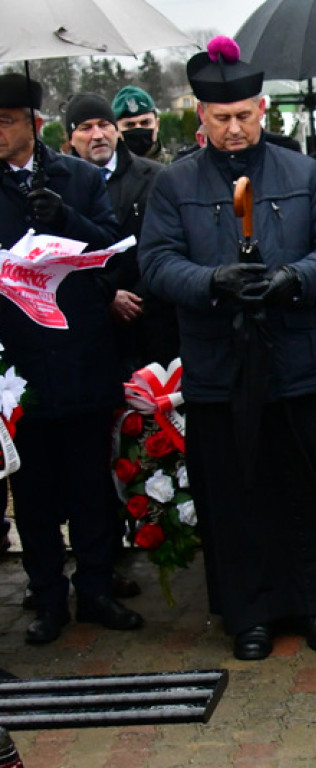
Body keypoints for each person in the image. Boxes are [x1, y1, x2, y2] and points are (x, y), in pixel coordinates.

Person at [139, 37, 316, 662]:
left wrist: (295, 279)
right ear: (200, 116)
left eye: (245, 116)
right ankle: (250, 613)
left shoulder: (301, 171)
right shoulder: (175, 184)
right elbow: (154, 263)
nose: (235, 129)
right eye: (221, 118)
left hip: (296, 358)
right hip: (220, 367)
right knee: (237, 496)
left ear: (263, 110)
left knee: (310, 490)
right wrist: (211, 282)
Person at [0, 73, 143, 645]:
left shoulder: (78, 177)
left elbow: (112, 256)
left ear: (33, 126)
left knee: (89, 483)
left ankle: (98, 588)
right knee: (31, 492)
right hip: (21, 364)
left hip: (81, 355)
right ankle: (48, 597)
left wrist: (64, 220)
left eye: (6, 120)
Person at [65, 92, 178, 374]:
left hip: (151, 320)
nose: (97, 135)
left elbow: (165, 243)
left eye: (104, 124)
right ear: (71, 137)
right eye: (85, 127)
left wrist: (134, 295)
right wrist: (107, 295)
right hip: (91, 326)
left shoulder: (156, 177)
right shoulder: (57, 187)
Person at [112, 85, 171, 164]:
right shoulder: (106, 172)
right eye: (130, 125)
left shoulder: (174, 168)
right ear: (116, 129)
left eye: (145, 123)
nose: (138, 128)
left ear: (157, 125)